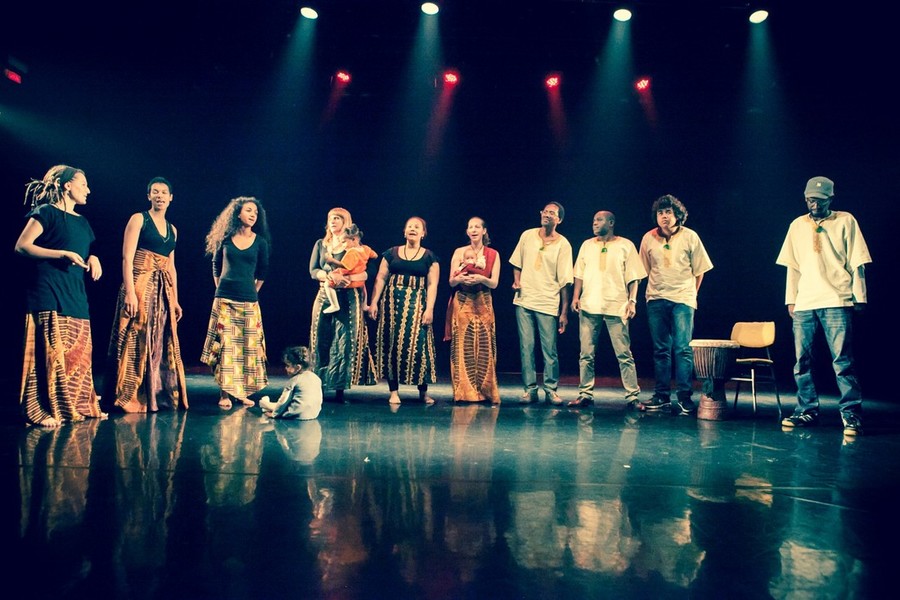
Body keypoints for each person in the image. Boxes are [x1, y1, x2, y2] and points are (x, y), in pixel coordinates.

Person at [776, 176, 872, 436]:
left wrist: (860, 296)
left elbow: (857, 262)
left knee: (842, 361)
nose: (815, 205)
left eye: (820, 200)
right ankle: (806, 410)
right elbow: (792, 267)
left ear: (831, 198)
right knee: (802, 361)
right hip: (805, 300)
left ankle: (851, 413)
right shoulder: (797, 225)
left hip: (836, 299)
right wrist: (791, 299)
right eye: (810, 200)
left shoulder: (845, 220)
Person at [14, 164, 106, 427]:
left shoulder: (83, 222)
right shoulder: (46, 212)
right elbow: (22, 246)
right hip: (48, 290)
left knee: (79, 351)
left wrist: (94, 257)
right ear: (67, 186)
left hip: (75, 292)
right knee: (51, 352)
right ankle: (42, 407)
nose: (88, 190)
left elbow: (87, 248)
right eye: (83, 184)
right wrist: (61, 254)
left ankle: (77, 403)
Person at [104, 177, 188, 413]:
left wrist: (175, 299)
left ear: (171, 198)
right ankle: (129, 394)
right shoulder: (139, 219)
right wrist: (130, 292)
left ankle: (155, 394)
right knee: (135, 336)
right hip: (140, 283)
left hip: (162, 291)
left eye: (164, 192)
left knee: (158, 338)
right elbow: (127, 258)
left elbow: (171, 266)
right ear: (149, 196)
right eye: (155, 192)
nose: (160, 195)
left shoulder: (172, 229)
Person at [638, 194, 713, 415]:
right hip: (656, 298)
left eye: (668, 212)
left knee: (682, 349)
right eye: (660, 213)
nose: (664, 216)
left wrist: (691, 294)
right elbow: (643, 270)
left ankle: (684, 397)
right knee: (661, 350)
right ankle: (661, 395)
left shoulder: (690, 236)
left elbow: (700, 270)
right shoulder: (648, 238)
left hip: (682, 300)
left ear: (677, 215)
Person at [569, 210, 647, 408]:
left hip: (616, 305)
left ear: (611, 222)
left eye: (599, 220)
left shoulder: (625, 245)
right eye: (594, 220)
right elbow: (579, 274)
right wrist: (576, 296)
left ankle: (632, 395)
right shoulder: (587, 245)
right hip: (589, 304)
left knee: (624, 354)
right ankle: (585, 393)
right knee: (586, 354)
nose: (594, 223)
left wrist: (632, 301)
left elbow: (634, 277)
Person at [200, 196, 271, 410]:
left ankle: (243, 393)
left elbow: (262, 271)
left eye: (255, 212)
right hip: (225, 300)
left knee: (247, 348)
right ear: (237, 213)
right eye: (248, 210)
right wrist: (221, 288)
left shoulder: (260, 242)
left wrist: (252, 290)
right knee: (227, 347)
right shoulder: (225, 239)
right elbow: (216, 265)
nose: (253, 214)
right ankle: (225, 393)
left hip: (248, 301)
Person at [367, 216, 440, 405]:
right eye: (409, 226)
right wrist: (374, 302)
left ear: (423, 233)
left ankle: (422, 392)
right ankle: (393, 392)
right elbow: (381, 278)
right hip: (392, 305)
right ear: (404, 231)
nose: (412, 229)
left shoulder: (430, 257)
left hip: (417, 304)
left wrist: (429, 309)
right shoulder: (391, 253)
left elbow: (432, 285)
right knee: (391, 345)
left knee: (419, 347)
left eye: (417, 227)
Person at [509, 201, 574, 405]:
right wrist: (517, 281)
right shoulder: (527, 235)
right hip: (524, 300)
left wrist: (564, 312)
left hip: (547, 301)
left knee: (549, 350)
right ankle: (529, 389)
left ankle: (551, 389)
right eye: (545, 211)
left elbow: (565, 281)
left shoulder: (563, 244)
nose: (547, 215)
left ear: (559, 219)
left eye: (552, 213)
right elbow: (517, 262)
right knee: (526, 347)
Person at [309, 207, 376, 402]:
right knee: (320, 337)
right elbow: (313, 270)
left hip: (348, 296)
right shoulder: (321, 244)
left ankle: (339, 389)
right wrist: (329, 276)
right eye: (331, 218)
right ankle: (319, 386)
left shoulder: (355, 246)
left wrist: (354, 277)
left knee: (344, 340)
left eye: (338, 218)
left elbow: (371, 269)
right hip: (326, 294)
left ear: (346, 222)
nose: (333, 221)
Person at [445, 216, 501, 404]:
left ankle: (487, 392)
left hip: (484, 300)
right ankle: (463, 393)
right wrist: (460, 279)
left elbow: (494, 283)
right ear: (467, 231)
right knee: (462, 347)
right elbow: (451, 281)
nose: (474, 230)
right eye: (470, 227)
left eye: (477, 227)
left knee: (485, 347)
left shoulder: (493, 254)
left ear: (484, 231)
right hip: (463, 300)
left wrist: (481, 279)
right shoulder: (459, 252)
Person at [320, 224, 377, 315]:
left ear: (354, 239)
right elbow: (375, 255)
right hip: (360, 281)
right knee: (363, 287)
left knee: (328, 284)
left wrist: (332, 261)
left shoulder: (352, 252)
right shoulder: (366, 248)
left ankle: (334, 305)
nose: (343, 246)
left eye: (344, 242)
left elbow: (345, 266)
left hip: (348, 279)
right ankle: (365, 305)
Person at [259, 346, 323, 420]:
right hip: (313, 414)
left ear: (298, 367)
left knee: (263, 403)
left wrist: (275, 414)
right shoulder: (317, 378)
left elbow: (283, 401)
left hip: (295, 414)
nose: (285, 368)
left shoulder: (294, 380)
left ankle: (264, 403)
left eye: (288, 366)